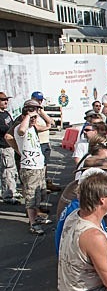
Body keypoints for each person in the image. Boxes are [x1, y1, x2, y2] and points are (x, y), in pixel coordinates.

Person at [7, 100, 51, 234]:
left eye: (34, 117)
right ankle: (33, 223)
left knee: (40, 194)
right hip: (29, 167)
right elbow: (19, 131)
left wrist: (39, 112)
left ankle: (37, 216)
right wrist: (27, 116)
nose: (34, 120)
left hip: (38, 166)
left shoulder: (33, 128)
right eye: (31, 118)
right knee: (31, 196)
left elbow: (50, 124)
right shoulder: (20, 128)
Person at [0, 91, 18, 204]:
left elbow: (11, 127)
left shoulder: (6, 113)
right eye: (3, 100)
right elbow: (5, 130)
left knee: (12, 170)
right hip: (3, 146)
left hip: (10, 146)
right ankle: (7, 195)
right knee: (7, 171)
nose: (6, 101)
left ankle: (12, 191)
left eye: (6, 99)